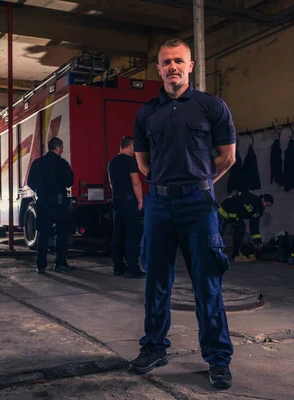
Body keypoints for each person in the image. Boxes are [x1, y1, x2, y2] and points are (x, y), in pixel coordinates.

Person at [130, 38, 237, 390]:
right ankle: (155, 347)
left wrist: (201, 182)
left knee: (207, 285)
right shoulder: (147, 113)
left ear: (191, 66)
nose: (172, 67)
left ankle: (218, 360)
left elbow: (227, 156)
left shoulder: (211, 107)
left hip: (198, 205)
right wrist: (167, 186)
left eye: (179, 61)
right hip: (160, 206)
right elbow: (143, 165)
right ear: (158, 69)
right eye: (165, 62)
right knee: (156, 282)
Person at [27, 137, 75, 274]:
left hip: (42, 202)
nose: (62, 150)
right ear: (58, 148)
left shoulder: (37, 163)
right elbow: (69, 182)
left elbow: (30, 182)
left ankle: (40, 265)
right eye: (62, 148)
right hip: (59, 203)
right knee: (61, 234)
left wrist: (40, 190)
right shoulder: (62, 163)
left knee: (42, 233)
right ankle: (60, 263)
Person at [107, 136, 146, 279]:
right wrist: (140, 200)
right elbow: (136, 182)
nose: (134, 150)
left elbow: (112, 184)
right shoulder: (130, 161)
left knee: (118, 235)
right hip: (129, 202)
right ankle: (132, 268)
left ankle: (118, 267)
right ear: (129, 146)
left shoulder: (112, 163)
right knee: (132, 235)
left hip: (116, 202)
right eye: (133, 147)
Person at [218, 192, 274, 261]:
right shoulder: (251, 198)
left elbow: (254, 226)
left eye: (267, 206)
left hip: (234, 216)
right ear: (263, 199)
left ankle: (236, 254)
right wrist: (233, 217)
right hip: (223, 212)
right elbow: (237, 199)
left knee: (241, 229)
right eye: (266, 205)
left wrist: (257, 242)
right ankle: (213, 253)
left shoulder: (257, 211)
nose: (265, 207)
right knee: (218, 234)